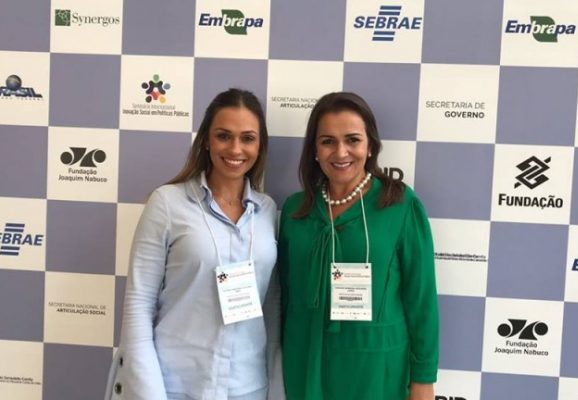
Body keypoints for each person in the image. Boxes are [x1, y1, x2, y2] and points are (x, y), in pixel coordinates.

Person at [105, 89, 279, 400]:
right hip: (176, 385)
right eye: (223, 136)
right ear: (207, 141)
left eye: (248, 138)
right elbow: (138, 306)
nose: (235, 148)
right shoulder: (167, 203)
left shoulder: (267, 211)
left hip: (247, 387)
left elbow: (272, 307)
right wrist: (149, 393)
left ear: (260, 145)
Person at [278, 92, 438, 400]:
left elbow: (422, 300)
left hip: (375, 368)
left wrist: (423, 378)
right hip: (305, 361)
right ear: (314, 149)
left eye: (352, 140)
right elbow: (283, 295)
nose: (341, 152)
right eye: (328, 141)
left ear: (370, 145)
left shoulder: (399, 204)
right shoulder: (295, 210)